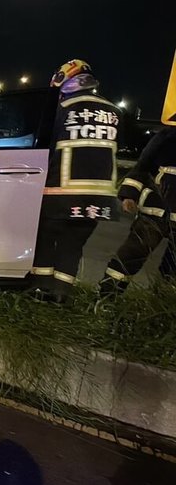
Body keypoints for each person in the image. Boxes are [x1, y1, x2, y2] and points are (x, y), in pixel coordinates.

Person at [30, 59, 122, 302]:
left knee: (46, 239)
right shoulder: (113, 111)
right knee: (73, 244)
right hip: (100, 196)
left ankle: (40, 290)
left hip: (62, 192)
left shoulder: (63, 108)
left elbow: (45, 143)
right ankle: (61, 294)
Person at [99, 122, 176, 294]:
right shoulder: (167, 136)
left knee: (172, 270)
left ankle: (161, 307)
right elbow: (142, 166)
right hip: (156, 211)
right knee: (130, 257)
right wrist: (129, 194)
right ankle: (106, 297)